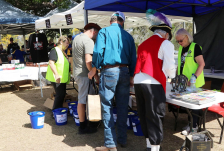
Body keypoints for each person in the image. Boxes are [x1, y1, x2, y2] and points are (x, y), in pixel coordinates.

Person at [88, 11, 137, 151]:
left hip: (109, 71)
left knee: (107, 107)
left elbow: (97, 52)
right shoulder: (128, 36)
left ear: (111, 21)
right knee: (122, 107)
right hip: (125, 71)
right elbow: (134, 58)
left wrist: (94, 68)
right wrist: (132, 75)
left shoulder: (103, 32)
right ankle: (122, 139)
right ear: (122, 22)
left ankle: (110, 143)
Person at [134, 20, 175, 150]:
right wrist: (173, 77)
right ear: (166, 34)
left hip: (138, 82)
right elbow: (169, 66)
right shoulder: (165, 43)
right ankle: (155, 148)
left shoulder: (142, 44)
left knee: (144, 113)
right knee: (155, 114)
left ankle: (148, 145)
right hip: (153, 82)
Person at [72, 23, 101, 134]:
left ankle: (85, 124)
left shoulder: (76, 38)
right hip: (85, 75)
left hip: (78, 73)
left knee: (83, 99)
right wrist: (95, 74)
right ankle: (83, 127)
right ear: (93, 31)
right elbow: (88, 60)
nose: (96, 36)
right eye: (97, 34)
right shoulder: (88, 41)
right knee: (83, 100)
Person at [175, 28, 205, 135]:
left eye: (181, 40)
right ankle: (190, 124)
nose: (179, 43)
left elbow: (202, 64)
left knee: (194, 106)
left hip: (194, 83)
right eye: (177, 41)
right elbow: (180, 65)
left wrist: (194, 78)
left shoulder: (195, 47)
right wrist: (176, 77)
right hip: (184, 83)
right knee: (188, 105)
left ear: (187, 37)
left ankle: (194, 127)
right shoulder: (181, 48)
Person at [46, 36, 70, 110]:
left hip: (62, 78)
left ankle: (59, 109)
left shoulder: (62, 52)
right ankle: (56, 111)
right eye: (67, 43)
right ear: (61, 42)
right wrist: (56, 74)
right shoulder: (55, 50)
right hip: (56, 77)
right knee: (60, 94)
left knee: (62, 94)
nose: (68, 45)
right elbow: (51, 63)